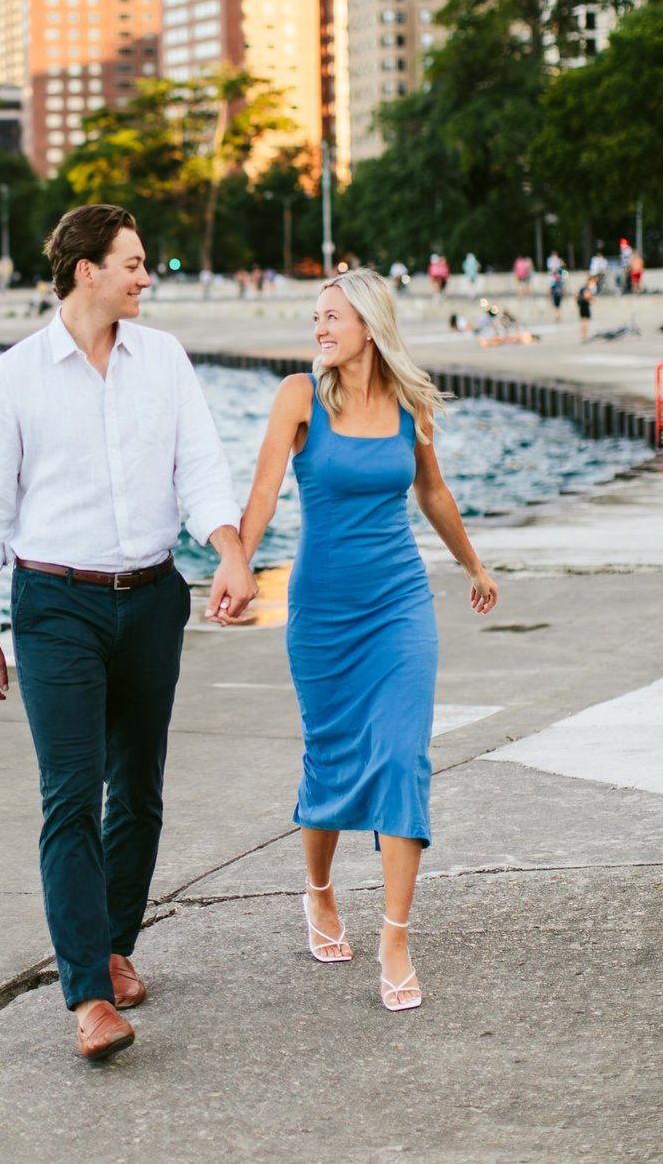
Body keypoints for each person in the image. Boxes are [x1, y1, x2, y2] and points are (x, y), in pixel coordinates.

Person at [0, 204, 256, 1061]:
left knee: (140, 790)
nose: (145, 275)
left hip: (153, 597)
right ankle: (88, 995)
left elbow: (201, 469)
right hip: (55, 605)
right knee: (70, 792)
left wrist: (231, 553)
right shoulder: (15, 376)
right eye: (132, 262)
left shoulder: (161, 357)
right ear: (85, 269)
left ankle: (115, 943)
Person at [239, 268, 498, 1014]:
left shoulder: (407, 401)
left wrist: (473, 563)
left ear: (369, 325)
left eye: (333, 317)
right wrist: (239, 566)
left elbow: (433, 490)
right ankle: (318, 890)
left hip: (399, 606)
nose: (320, 329)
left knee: (400, 757)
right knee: (332, 755)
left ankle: (394, 937)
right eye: (316, 317)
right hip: (321, 611)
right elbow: (261, 493)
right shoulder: (299, 397)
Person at [576, 275, 597, 340]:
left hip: (581, 305)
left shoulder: (582, 288)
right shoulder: (586, 288)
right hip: (585, 305)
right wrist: (592, 299)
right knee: (585, 321)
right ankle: (584, 335)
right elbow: (586, 296)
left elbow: (576, 295)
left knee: (582, 321)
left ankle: (583, 335)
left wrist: (578, 303)